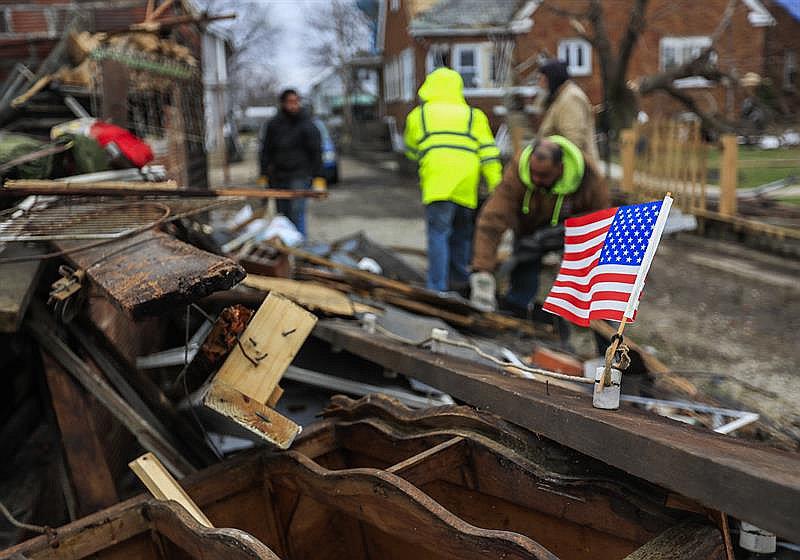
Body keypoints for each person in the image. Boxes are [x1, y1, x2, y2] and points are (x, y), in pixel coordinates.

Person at [469, 136, 609, 317]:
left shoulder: (589, 178)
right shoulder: (518, 170)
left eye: (543, 176)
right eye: (533, 173)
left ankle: (573, 314)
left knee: (576, 273)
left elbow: (601, 220)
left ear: (560, 167)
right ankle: (517, 308)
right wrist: (483, 271)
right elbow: (492, 220)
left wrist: (563, 235)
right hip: (529, 227)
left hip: (569, 231)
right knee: (525, 258)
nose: (536, 179)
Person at [404, 67, 502, 292]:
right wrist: (496, 185)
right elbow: (488, 153)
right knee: (462, 235)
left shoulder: (418, 116)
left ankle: (437, 289)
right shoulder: (473, 116)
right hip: (466, 185)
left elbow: (410, 150)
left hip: (437, 184)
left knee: (438, 234)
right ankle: (460, 283)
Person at [259, 89, 324, 236]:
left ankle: (299, 243)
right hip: (278, 176)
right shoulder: (274, 125)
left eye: (296, 102)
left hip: (300, 175)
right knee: (282, 213)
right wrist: (263, 174)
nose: (293, 106)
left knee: (297, 211)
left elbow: (316, 152)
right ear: (283, 103)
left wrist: (319, 177)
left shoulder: (307, 125)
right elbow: (265, 151)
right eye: (290, 102)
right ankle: (286, 246)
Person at [536, 60, 599, 163]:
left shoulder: (571, 99)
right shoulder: (561, 96)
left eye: (543, 80)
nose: (540, 85)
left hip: (574, 169)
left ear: (553, 79)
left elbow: (573, 141)